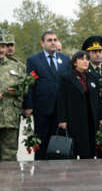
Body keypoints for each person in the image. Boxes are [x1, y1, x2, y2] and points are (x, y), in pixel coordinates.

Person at [24, 31, 71, 160]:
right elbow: (29, 84)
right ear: (42, 43)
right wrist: (28, 106)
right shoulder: (33, 60)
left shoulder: (65, 59)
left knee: (60, 143)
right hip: (42, 108)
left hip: (61, 109)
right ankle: (40, 172)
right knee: (42, 142)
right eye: (49, 40)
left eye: (55, 40)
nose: (53, 42)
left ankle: (59, 172)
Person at [57, 51, 102, 159]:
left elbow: (97, 99)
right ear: (74, 62)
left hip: (90, 119)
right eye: (82, 59)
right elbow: (61, 100)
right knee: (74, 149)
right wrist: (62, 119)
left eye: (87, 59)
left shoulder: (92, 77)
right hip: (73, 119)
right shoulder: (66, 78)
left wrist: (101, 117)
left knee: (88, 150)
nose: (85, 61)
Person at [83, 36, 102, 157]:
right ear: (88, 53)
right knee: (90, 145)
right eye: (94, 52)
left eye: (100, 51)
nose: (98, 55)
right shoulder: (84, 69)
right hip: (89, 112)